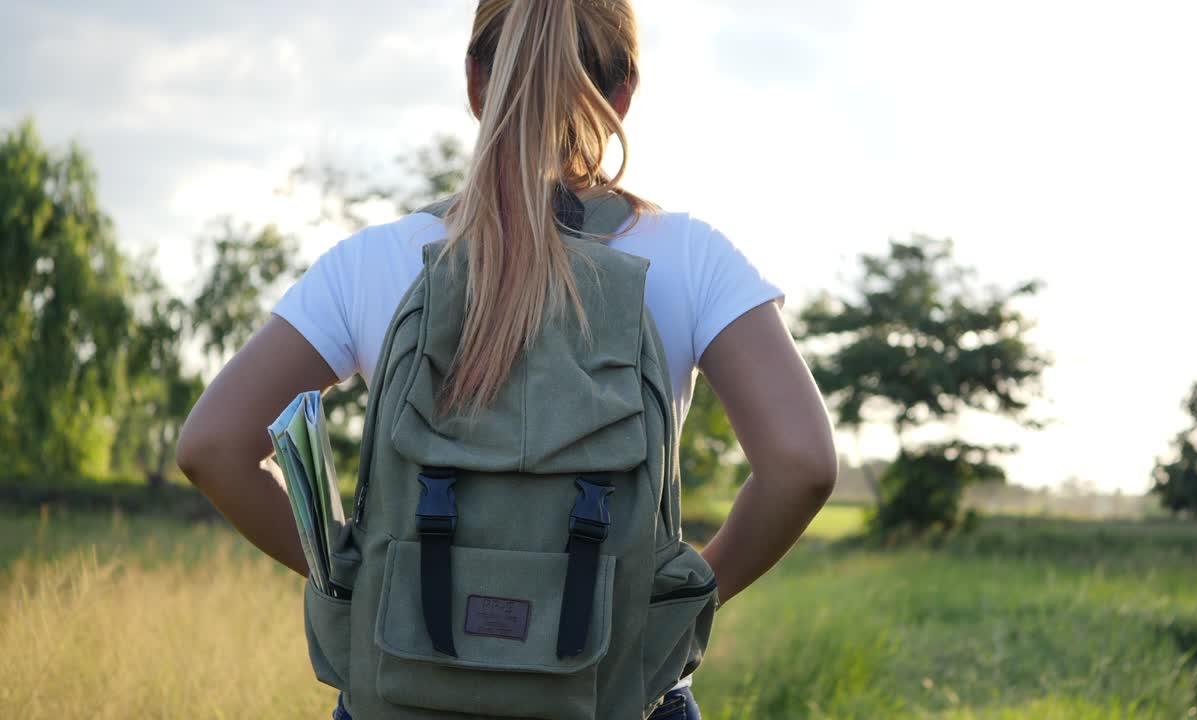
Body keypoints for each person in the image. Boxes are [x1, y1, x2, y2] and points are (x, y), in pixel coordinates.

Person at [176, 1, 837, 718]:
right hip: (615, 696)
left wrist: (361, 585)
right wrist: (661, 606)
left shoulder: (372, 262)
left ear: (474, 82)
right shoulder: (694, 259)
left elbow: (213, 446)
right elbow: (801, 464)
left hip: (403, 690)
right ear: (624, 94)